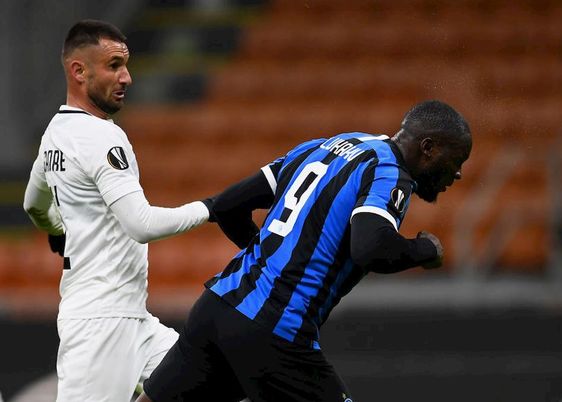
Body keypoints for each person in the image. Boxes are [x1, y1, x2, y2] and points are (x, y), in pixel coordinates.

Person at [136, 100, 472, 402]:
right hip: (275, 330)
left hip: (216, 306)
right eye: (456, 159)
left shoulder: (326, 145)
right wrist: (425, 249)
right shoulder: (389, 173)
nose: (457, 173)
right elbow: (371, 248)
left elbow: (226, 207)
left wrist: (270, 257)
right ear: (428, 148)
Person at [22, 20, 216, 401]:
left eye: (126, 65)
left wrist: (57, 229)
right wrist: (211, 208)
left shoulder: (55, 134)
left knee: (209, 381)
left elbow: (33, 204)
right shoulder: (101, 136)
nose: (127, 77)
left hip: (133, 319)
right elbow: (141, 224)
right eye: (114, 65)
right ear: (79, 71)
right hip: (101, 326)